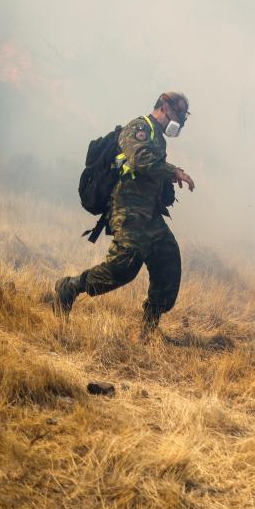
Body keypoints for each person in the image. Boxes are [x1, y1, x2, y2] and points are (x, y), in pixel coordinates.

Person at [54, 91, 196, 335]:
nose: (180, 120)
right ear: (164, 107)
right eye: (178, 114)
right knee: (123, 268)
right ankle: (70, 286)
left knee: (168, 261)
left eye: (184, 116)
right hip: (127, 210)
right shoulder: (139, 127)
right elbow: (140, 159)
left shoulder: (159, 138)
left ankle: (149, 330)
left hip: (149, 215)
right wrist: (173, 171)